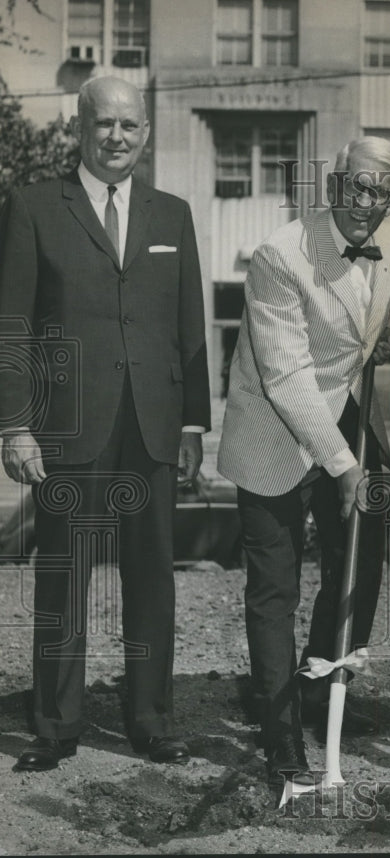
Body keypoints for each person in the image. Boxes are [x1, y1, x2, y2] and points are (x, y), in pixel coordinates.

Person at [0, 76, 211, 771]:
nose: (116, 137)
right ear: (79, 130)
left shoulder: (172, 214)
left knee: (152, 578)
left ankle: (150, 720)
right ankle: (55, 725)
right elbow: (13, 325)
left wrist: (192, 425)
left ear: (145, 133)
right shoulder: (33, 207)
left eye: (129, 125)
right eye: (103, 124)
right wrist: (15, 425)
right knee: (65, 575)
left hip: (152, 424)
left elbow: (189, 324)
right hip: (70, 426)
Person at [216, 137, 390, 788]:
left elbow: (379, 315)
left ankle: (321, 691)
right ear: (333, 186)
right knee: (275, 590)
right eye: (357, 186)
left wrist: (386, 334)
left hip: (350, 415)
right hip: (274, 428)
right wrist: (343, 465)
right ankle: (282, 742)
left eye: (381, 193)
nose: (367, 202)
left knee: (359, 567)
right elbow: (287, 376)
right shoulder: (280, 253)